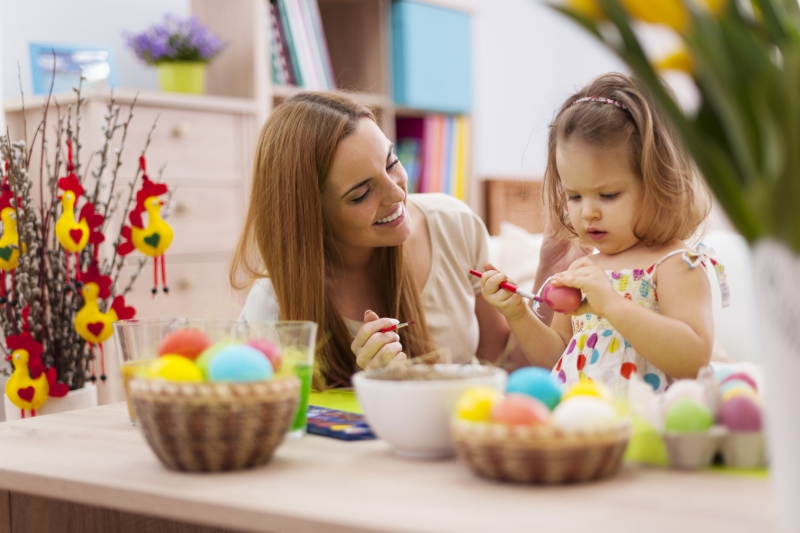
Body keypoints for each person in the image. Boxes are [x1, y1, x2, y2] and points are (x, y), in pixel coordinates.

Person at [233, 92, 527, 390]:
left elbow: (505, 363)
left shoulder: (454, 224)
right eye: (361, 194)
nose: (397, 194)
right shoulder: (273, 304)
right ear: (312, 217)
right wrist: (379, 391)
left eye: (392, 164)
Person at [480, 73, 729, 394]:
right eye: (574, 196)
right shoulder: (583, 271)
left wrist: (612, 304)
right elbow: (558, 358)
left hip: (651, 427)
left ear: (660, 185)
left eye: (608, 195)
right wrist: (518, 313)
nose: (588, 212)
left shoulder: (677, 264)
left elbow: (692, 360)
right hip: (587, 427)